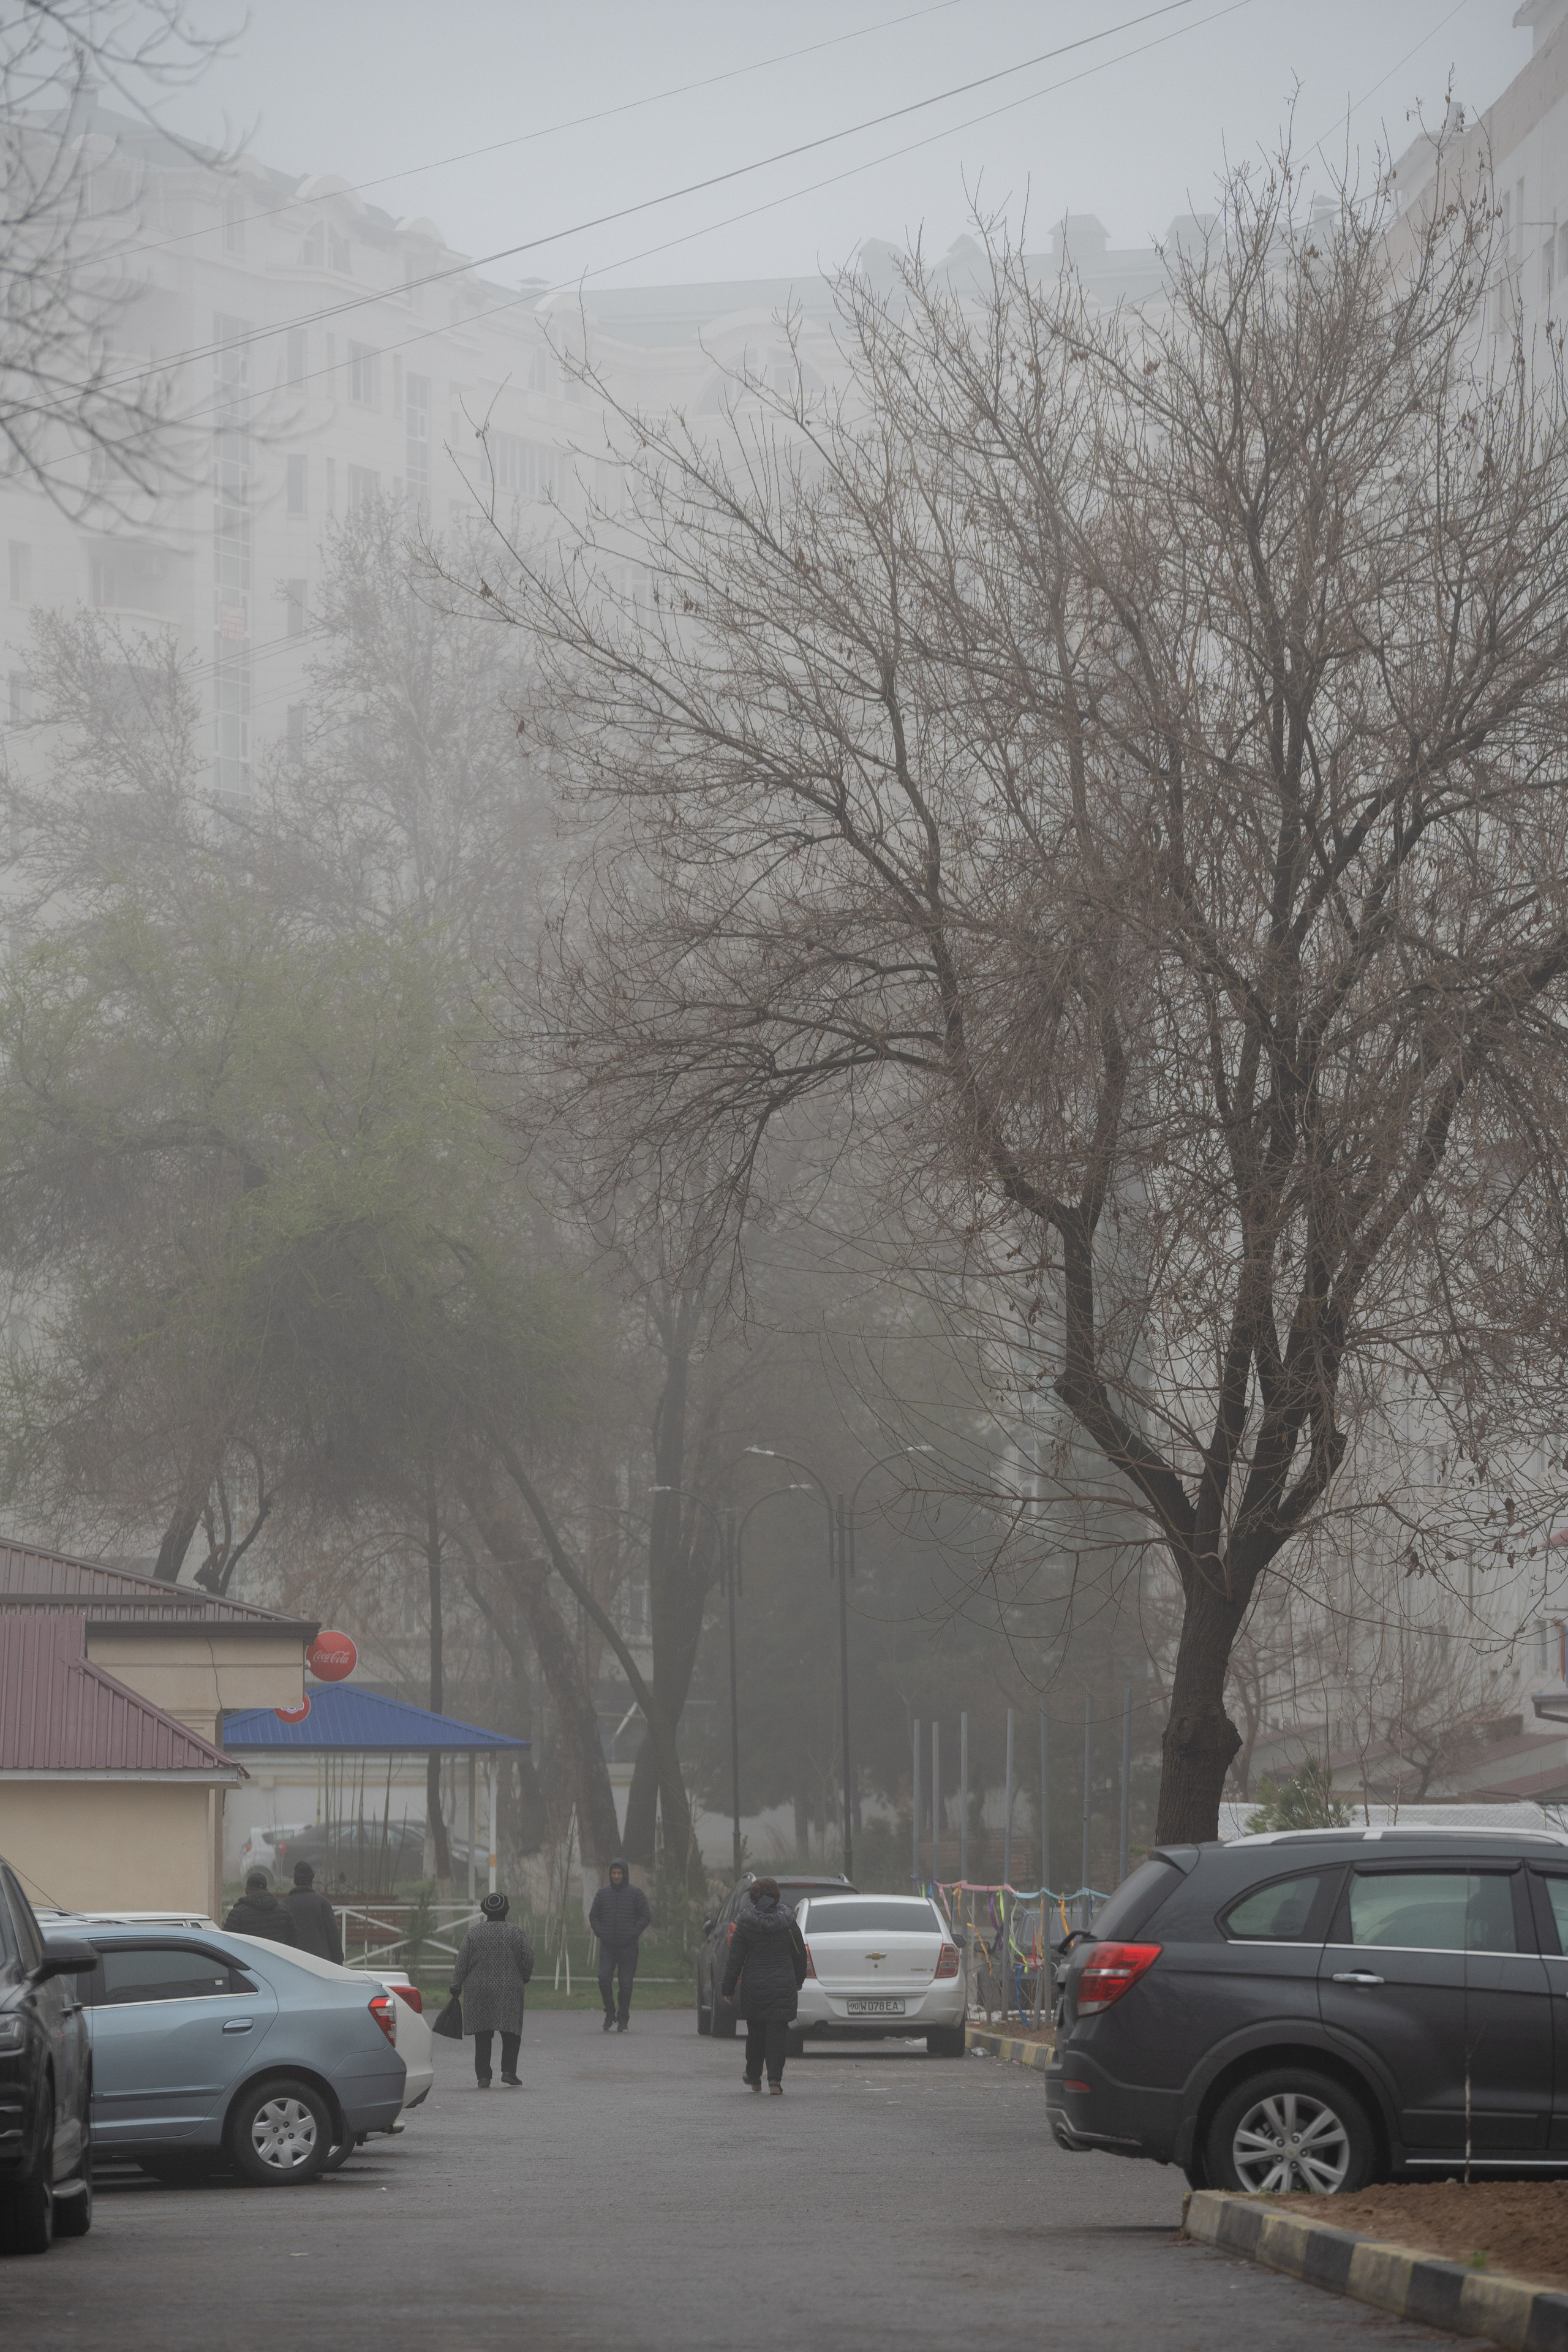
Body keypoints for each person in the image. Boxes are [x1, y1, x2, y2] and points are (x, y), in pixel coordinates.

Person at [720, 1875, 808, 2095]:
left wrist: (728, 1988)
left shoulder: (746, 1924)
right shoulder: (788, 1923)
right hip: (782, 1986)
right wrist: (798, 1981)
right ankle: (775, 2081)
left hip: (755, 1988)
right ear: (776, 1896)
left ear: (754, 1897)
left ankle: (753, 2076)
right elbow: (800, 1955)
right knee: (778, 2033)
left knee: (756, 2032)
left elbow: (735, 1959)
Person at [450, 1891, 533, 2088]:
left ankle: (484, 2076)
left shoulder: (474, 1933)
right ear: (506, 1910)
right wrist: (525, 1976)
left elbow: (461, 1961)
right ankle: (509, 2071)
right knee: (511, 2032)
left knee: (483, 2034)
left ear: (485, 1911)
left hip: (479, 1989)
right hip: (509, 1988)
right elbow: (527, 1958)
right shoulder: (516, 1932)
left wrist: (456, 1985)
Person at [588, 1856, 650, 2034]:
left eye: (619, 1873)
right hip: (608, 1947)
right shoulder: (603, 1894)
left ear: (625, 1874)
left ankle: (623, 2017)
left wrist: (633, 1933)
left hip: (628, 1947)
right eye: (614, 1873)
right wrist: (601, 1932)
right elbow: (593, 1916)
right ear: (610, 1874)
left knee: (625, 1984)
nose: (616, 1876)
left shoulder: (636, 1894)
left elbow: (645, 1916)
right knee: (604, 1978)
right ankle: (609, 2011)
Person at [283, 1860, 344, 1962]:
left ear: (294, 1881)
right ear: (312, 1880)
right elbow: (333, 1935)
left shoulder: (285, 1905)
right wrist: (338, 1961)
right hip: (320, 1962)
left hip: (294, 1963)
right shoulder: (322, 1903)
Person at [223, 1869, 300, 1947]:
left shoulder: (238, 1913)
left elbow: (227, 1941)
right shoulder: (283, 1910)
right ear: (267, 1890)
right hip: (276, 1958)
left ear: (246, 1890)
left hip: (247, 1958)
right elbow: (294, 1937)